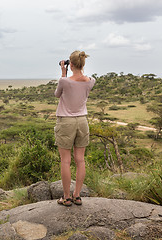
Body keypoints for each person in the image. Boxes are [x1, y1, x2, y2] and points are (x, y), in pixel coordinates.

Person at [54, 50, 95, 206]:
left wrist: (63, 73)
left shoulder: (64, 81)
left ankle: (66, 197)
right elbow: (84, 79)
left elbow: (57, 94)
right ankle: (77, 195)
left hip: (66, 122)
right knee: (80, 160)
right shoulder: (91, 81)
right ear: (83, 63)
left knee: (65, 161)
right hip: (82, 121)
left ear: (70, 64)